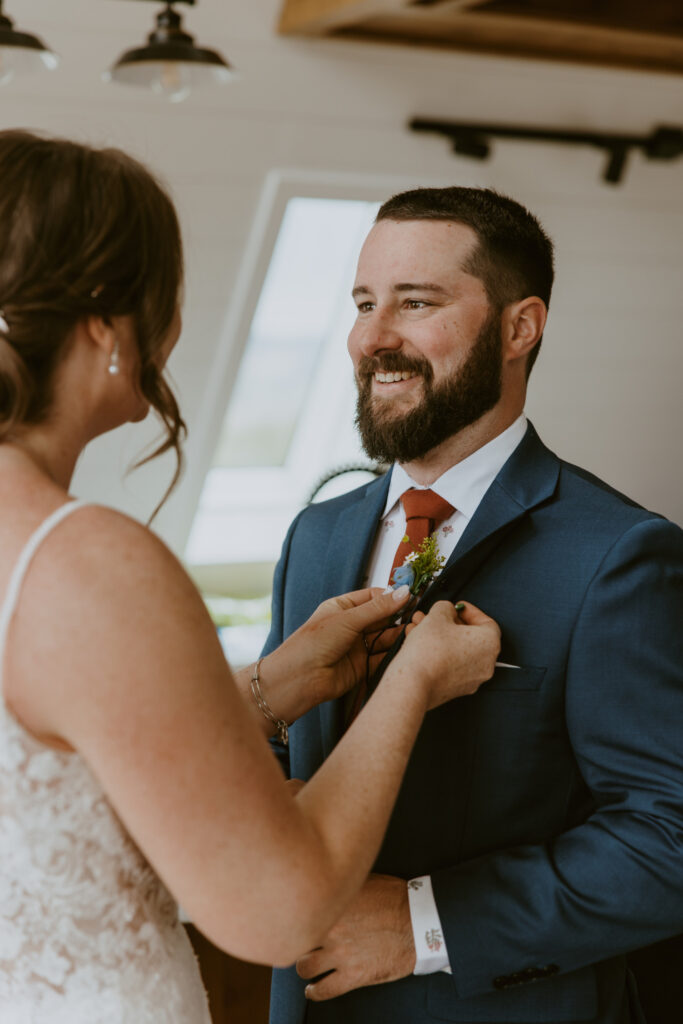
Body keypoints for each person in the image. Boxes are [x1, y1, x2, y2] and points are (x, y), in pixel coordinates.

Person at [0, 132, 502, 1022]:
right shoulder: (85, 563)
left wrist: (271, 687)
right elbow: (277, 910)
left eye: (412, 301)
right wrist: (410, 683)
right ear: (104, 325)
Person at [264, 186, 683, 1024]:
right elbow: (280, 772)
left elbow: (668, 838)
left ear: (519, 327)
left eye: (415, 303)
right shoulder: (315, 534)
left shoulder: (617, 555)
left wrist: (422, 924)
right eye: (362, 303)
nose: (373, 337)